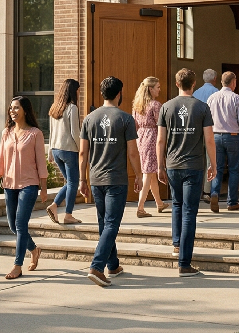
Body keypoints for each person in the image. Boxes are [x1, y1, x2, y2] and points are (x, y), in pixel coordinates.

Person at [78, 76, 143, 287]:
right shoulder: (125, 119)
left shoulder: (89, 118)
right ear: (119, 94)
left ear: (102, 94)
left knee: (104, 223)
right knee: (111, 223)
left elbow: (82, 153)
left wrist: (82, 179)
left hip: (96, 179)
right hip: (116, 179)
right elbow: (133, 152)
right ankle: (97, 266)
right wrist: (139, 175)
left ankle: (112, 264)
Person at [157, 68, 216, 277]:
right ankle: (184, 263)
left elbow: (160, 140)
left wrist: (159, 166)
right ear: (194, 85)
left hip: (172, 165)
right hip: (193, 165)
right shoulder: (202, 107)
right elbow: (209, 139)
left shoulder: (166, 107)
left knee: (177, 205)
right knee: (190, 211)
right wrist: (214, 165)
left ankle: (176, 245)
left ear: (176, 84)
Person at [0, 96, 47, 280]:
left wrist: (44, 187)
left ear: (25, 110)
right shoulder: (6, 133)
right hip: (8, 184)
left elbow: (41, 162)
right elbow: (1, 159)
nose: (12, 111)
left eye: (16, 108)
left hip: (29, 185)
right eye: (11, 108)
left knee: (20, 225)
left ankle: (17, 265)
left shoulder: (35, 134)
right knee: (13, 225)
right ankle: (34, 249)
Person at [207, 71, 239, 212]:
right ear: (233, 82)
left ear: (221, 82)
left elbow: (207, 120)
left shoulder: (212, 98)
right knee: (233, 169)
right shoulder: (237, 98)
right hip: (232, 136)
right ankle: (232, 202)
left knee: (217, 168)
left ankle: (214, 194)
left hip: (215, 135)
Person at [47, 79, 83, 225]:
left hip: (56, 150)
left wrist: (50, 151)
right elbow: (75, 132)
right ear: (73, 91)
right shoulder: (72, 108)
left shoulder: (54, 107)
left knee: (70, 182)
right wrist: (82, 149)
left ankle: (54, 206)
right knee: (73, 182)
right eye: (78, 90)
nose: (79, 93)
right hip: (68, 150)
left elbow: (51, 132)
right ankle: (68, 215)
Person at [132, 77, 167, 218]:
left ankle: (159, 203)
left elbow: (134, 124)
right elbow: (161, 124)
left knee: (150, 171)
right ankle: (140, 207)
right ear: (151, 89)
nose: (159, 89)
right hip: (152, 137)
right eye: (157, 87)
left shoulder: (137, 105)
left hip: (140, 137)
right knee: (148, 173)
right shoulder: (155, 105)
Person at [192, 68, 219, 202]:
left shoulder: (195, 93)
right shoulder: (216, 93)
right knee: (210, 160)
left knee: (197, 160)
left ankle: (196, 190)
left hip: (196, 131)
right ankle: (207, 191)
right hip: (210, 130)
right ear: (214, 79)